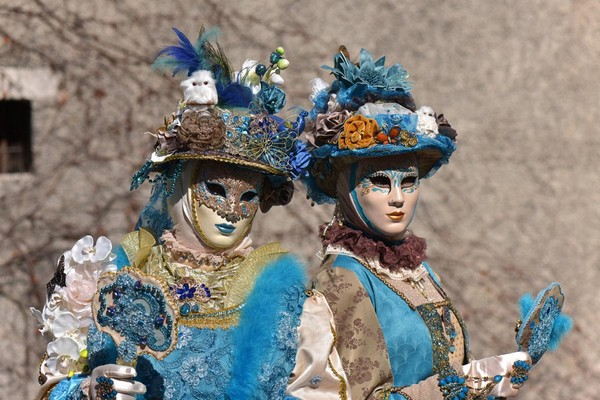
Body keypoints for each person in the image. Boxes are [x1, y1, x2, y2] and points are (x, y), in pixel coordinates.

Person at [32, 29, 349, 400]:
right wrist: (87, 390)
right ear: (183, 186)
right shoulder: (117, 273)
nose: (231, 210)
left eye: (247, 196)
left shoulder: (283, 295)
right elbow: (60, 384)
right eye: (215, 189)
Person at [303, 47, 537, 399]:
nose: (398, 198)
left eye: (408, 181)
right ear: (346, 187)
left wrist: (493, 376)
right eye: (380, 181)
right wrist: (471, 384)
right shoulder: (343, 280)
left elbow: (445, 368)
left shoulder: (418, 270)